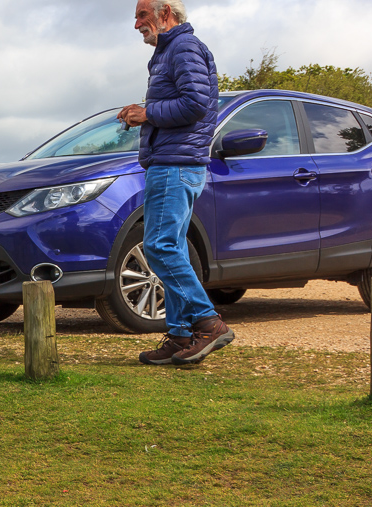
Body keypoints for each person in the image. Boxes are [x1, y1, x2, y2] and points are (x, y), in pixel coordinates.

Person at [117, 0, 234, 366]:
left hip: (174, 165)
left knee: (158, 247)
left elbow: (196, 103)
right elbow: (185, 102)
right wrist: (142, 116)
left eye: (142, 15)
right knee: (174, 248)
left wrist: (148, 112)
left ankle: (208, 322)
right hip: (174, 163)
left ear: (165, 13)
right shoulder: (171, 51)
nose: (136, 24)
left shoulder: (183, 47)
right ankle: (182, 333)